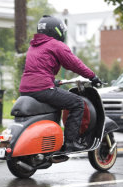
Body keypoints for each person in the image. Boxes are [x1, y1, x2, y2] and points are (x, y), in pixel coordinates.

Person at [19, 15, 101, 151]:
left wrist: (53, 81)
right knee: (77, 103)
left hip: (26, 88)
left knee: (54, 107)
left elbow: (37, 70)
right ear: (56, 30)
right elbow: (75, 64)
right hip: (43, 88)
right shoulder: (55, 45)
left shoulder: (33, 46)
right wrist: (92, 76)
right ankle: (71, 142)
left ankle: (50, 141)